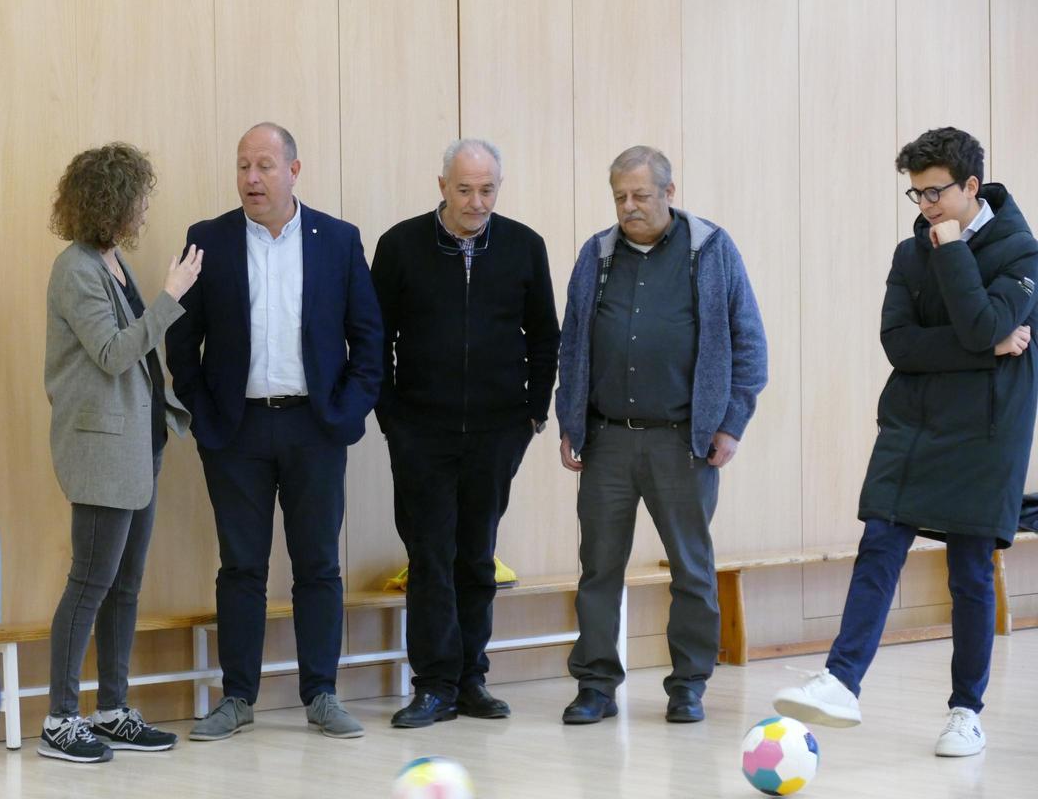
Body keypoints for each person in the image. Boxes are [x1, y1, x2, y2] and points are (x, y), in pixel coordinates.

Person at [774, 127, 1038, 757]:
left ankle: (965, 712)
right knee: (880, 542)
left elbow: (980, 321)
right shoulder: (907, 251)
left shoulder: (1021, 252)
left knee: (971, 571)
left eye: (936, 193)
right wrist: (986, 351)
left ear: (972, 186)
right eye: (915, 195)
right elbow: (900, 345)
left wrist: (953, 260)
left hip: (985, 433)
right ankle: (841, 680)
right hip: (914, 424)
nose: (925, 208)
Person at [167, 122, 382, 740]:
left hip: (315, 428)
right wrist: (204, 415)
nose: (251, 179)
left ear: (294, 170)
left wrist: (345, 412)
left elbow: (368, 339)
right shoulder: (206, 240)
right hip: (235, 433)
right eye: (242, 166)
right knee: (241, 568)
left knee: (318, 566)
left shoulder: (338, 241)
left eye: (264, 166)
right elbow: (182, 341)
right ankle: (237, 698)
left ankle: (321, 694)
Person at [555, 145, 768, 725]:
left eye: (640, 196)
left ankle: (688, 685)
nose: (629, 207)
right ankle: (596, 685)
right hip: (607, 440)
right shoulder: (596, 255)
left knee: (690, 569)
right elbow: (573, 341)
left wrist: (731, 422)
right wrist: (569, 419)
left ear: (669, 193)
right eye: (620, 197)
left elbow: (749, 344)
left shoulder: (712, 251)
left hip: (684, 442)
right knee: (598, 567)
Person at [371, 138, 559, 727]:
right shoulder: (400, 246)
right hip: (420, 431)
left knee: (477, 557)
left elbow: (545, 337)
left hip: (499, 431)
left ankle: (472, 679)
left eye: (488, 190)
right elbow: (375, 337)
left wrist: (533, 413)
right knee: (430, 556)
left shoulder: (525, 246)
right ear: (442, 185)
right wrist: (392, 415)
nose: (477, 202)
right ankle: (432, 685)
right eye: (465, 189)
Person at [41, 143, 201, 762]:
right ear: (112, 202)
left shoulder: (110, 261)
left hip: (140, 441)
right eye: (137, 197)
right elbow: (112, 353)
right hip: (101, 451)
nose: (143, 209)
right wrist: (171, 295)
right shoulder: (76, 269)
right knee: (90, 581)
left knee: (126, 585)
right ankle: (60, 720)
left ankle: (110, 709)